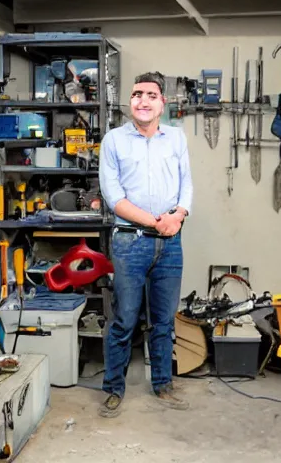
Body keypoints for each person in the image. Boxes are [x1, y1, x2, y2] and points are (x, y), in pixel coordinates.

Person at [98, 71, 193, 418]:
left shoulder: (176, 138)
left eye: (151, 95)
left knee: (165, 320)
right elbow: (114, 197)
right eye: (137, 94)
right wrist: (158, 221)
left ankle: (163, 384)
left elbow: (187, 185)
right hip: (130, 242)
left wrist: (179, 214)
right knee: (124, 319)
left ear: (162, 103)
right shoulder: (113, 140)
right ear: (130, 102)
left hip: (170, 243)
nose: (143, 100)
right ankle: (113, 388)